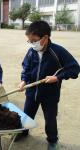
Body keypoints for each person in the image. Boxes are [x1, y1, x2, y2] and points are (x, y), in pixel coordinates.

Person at [16, 21, 80, 150]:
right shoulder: (31, 52)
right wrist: (23, 80)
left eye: (34, 40)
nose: (32, 44)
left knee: (50, 119)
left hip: (50, 95)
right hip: (31, 92)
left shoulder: (57, 51)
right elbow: (26, 68)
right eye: (29, 41)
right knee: (27, 114)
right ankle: (23, 132)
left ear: (45, 38)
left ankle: (52, 140)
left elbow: (74, 69)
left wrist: (57, 77)